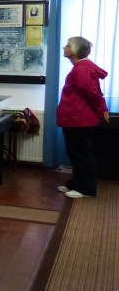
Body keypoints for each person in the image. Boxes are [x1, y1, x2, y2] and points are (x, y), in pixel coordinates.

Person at [56, 36, 109, 199]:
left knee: (81, 154)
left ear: (77, 50)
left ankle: (86, 189)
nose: (64, 48)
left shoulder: (82, 68)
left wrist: (102, 109)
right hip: (75, 118)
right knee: (75, 153)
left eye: (68, 45)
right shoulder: (81, 67)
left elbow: (91, 92)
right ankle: (76, 183)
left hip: (79, 119)